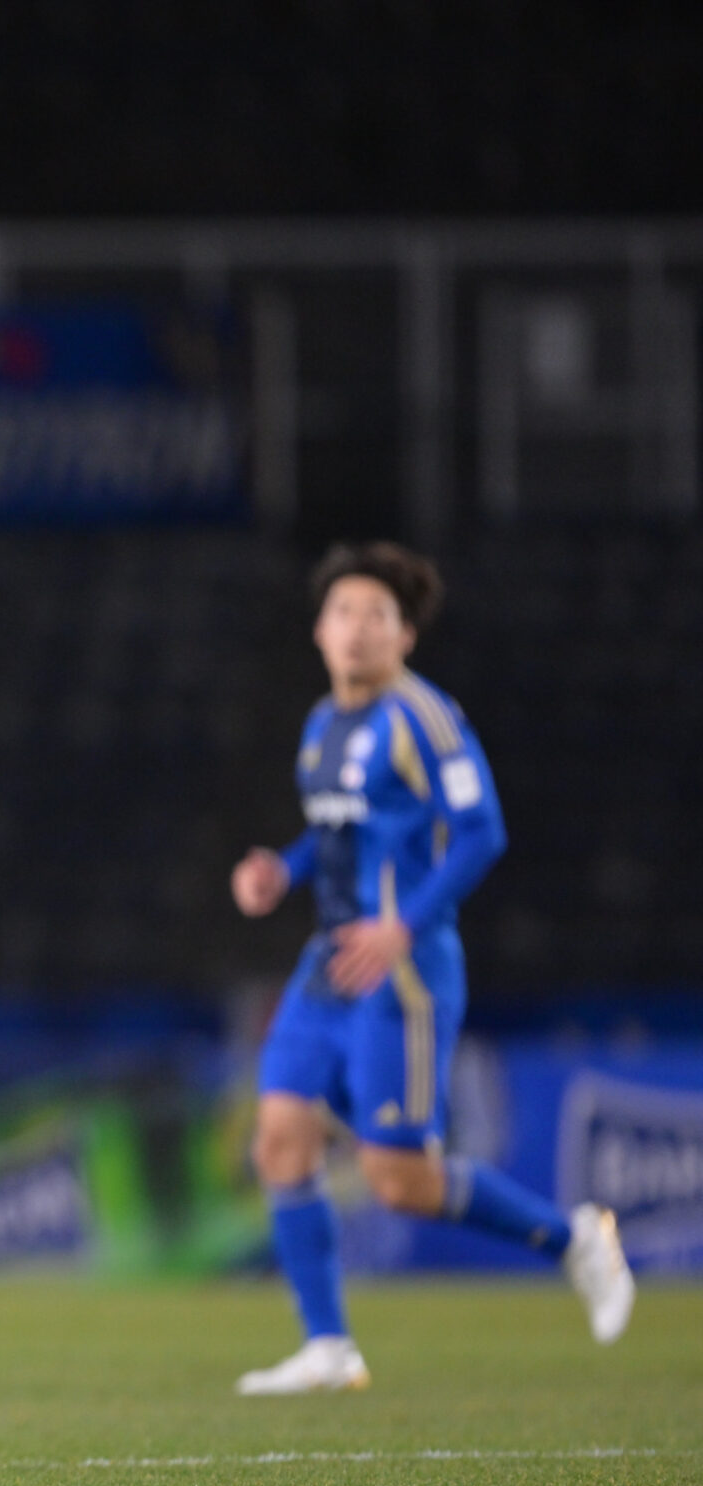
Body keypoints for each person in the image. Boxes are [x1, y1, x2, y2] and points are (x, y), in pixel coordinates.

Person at [229, 541, 632, 1395]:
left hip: (401, 974)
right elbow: (335, 833)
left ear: (405, 635)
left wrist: (403, 927)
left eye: (377, 616)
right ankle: (329, 1346)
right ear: (318, 629)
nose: (357, 629)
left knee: (399, 1181)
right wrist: (280, 870)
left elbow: (482, 830)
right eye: (344, 612)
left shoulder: (423, 717)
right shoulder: (322, 724)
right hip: (329, 963)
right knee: (279, 1139)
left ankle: (575, 1240)